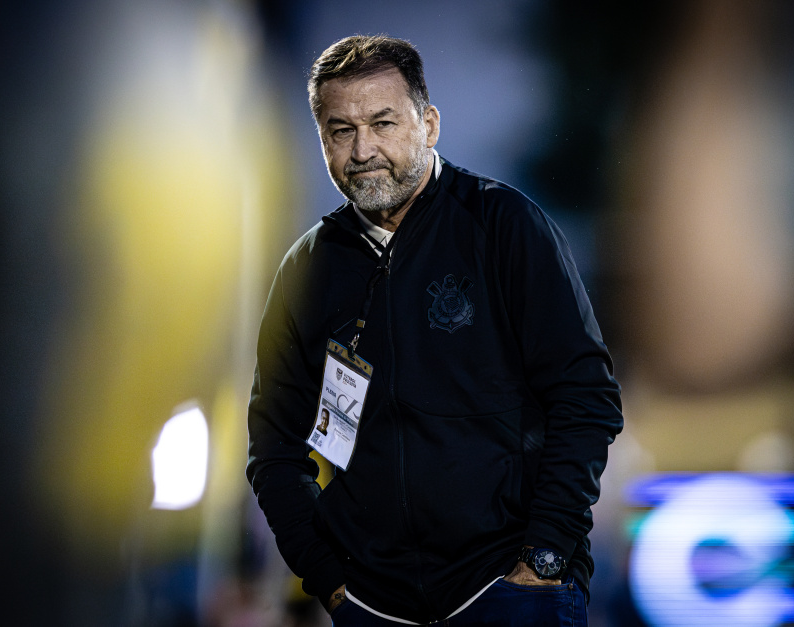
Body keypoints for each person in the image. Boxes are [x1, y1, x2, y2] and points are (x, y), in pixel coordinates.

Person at [246, 35, 623, 626]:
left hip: (508, 592)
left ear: (429, 124)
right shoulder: (306, 267)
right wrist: (328, 578)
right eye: (341, 130)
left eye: (383, 123)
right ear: (321, 140)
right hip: (373, 606)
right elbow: (273, 446)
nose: (363, 148)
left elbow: (587, 397)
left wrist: (544, 558)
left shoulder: (504, 226)